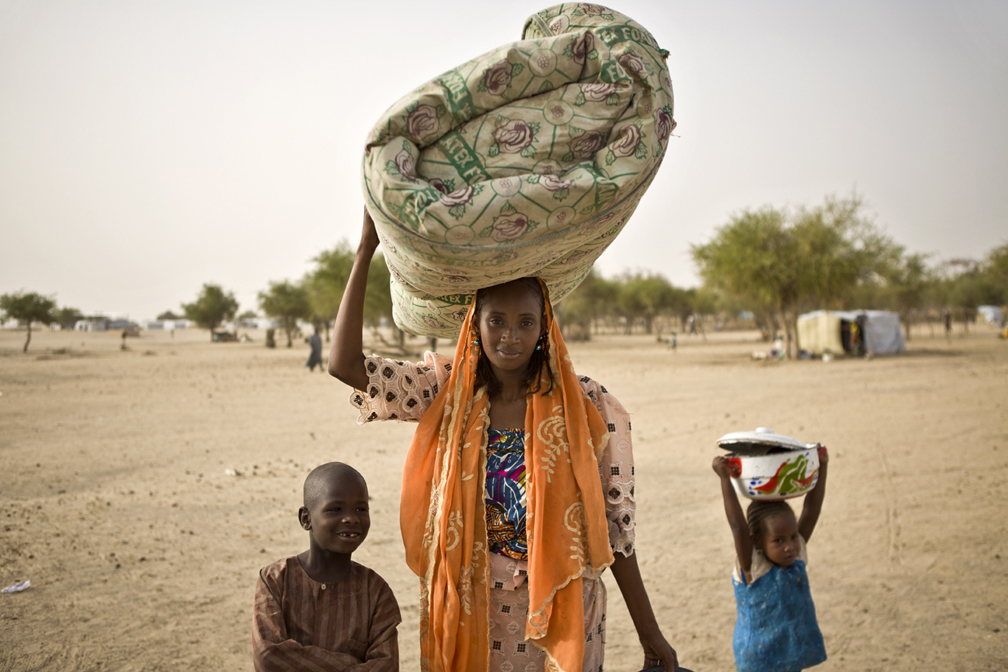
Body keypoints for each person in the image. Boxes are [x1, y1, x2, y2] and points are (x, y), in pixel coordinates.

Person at [328, 208, 680, 672]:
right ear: (474, 323)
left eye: (525, 323)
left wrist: (651, 636)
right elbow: (345, 365)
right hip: (475, 606)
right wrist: (365, 250)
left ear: (544, 327)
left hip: (565, 606)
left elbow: (615, 531)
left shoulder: (590, 406)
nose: (510, 336)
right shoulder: (446, 392)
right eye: (496, 321)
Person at [252, 462, 401, 671]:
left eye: (361, 508)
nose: (351, 518)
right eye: (335, 509)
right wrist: (354, 665)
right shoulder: (276, 580)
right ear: (306, 519)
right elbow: (269, 656)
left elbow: (386, 666)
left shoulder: (376, 592)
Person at [712, 447, 829, 672]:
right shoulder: (753, 567)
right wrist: (725, 479)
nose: (790, 547)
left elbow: (811, 510)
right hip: (758, 660)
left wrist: (822, 465)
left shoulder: (796, 558)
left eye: (794, 537)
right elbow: (737, 526)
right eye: (778, 541)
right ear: (756, 542)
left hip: (791, 652)